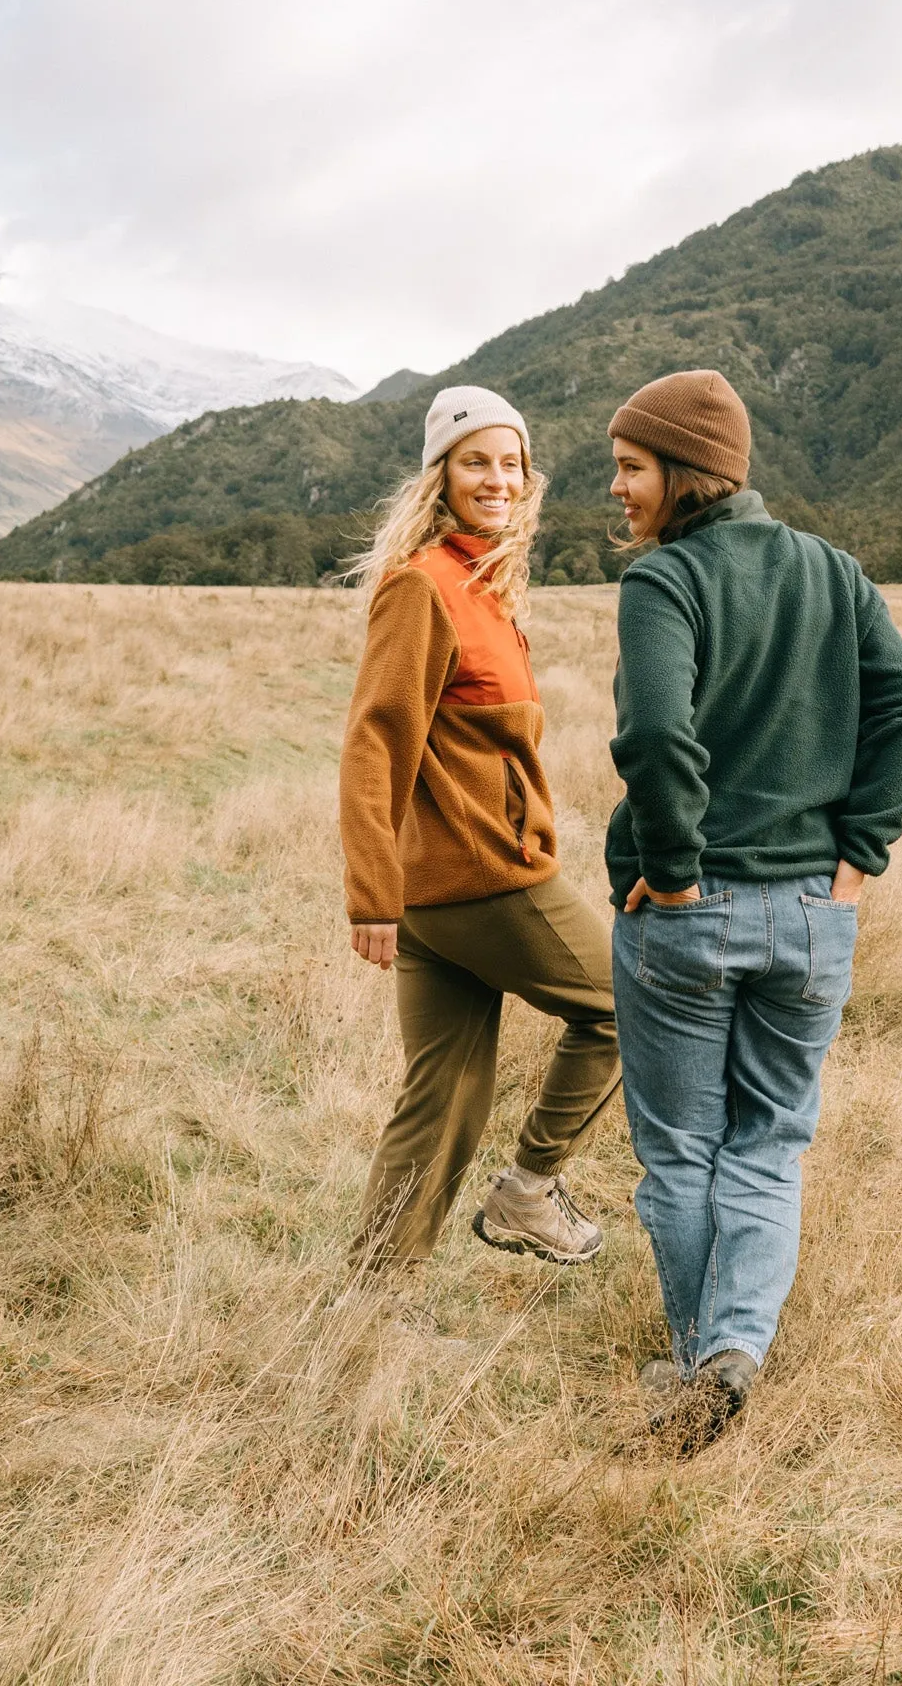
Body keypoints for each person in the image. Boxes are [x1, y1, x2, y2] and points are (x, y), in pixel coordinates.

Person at [605, 370, 902, 1451]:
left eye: (630, 465)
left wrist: (676, 865)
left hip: (687, 918)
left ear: (687, 475)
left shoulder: (666, 581)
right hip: (810, 917)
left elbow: (658, 738)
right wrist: (855, 860)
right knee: (766, 1145)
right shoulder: (831, 572)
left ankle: (703, 1357)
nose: (615, 486)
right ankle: (732, 1356)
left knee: (681, 1149)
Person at [338, 384, 620, 1282]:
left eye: (510, 463)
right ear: (441, 475)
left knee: (443, 1099)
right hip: (481, 879)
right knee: (630, 1006)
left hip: (442, 891)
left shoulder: (483, 583)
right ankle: (529, 1190)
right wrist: (371, 896)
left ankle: (371, 1307)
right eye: (475, 462)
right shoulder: (424, 588)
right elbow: (376, 744)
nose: (495, 479)